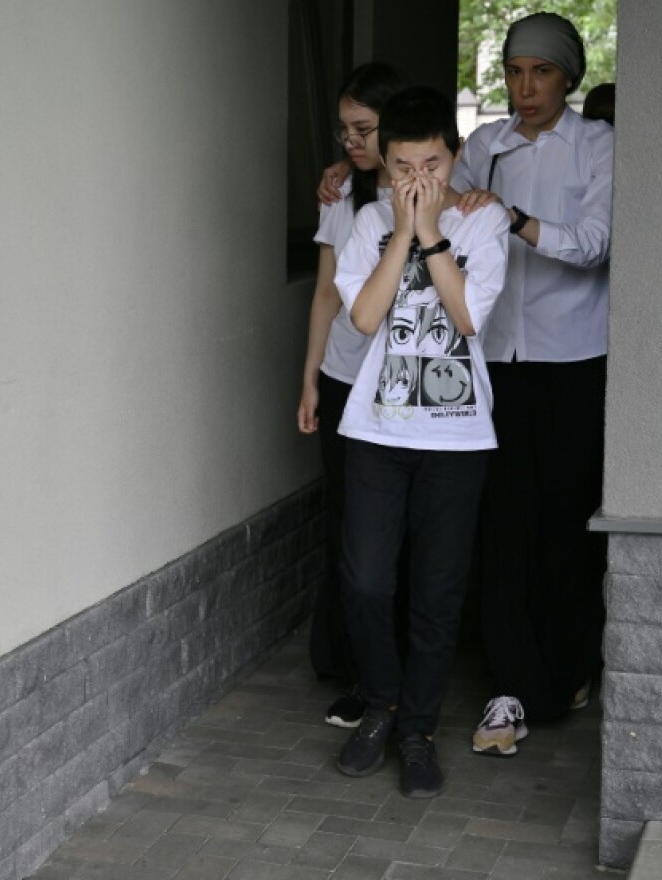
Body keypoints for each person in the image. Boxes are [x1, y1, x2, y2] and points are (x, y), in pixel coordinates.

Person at [332, 86, 509, 798]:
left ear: (455, 154)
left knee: (437, 592)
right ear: (385, 163)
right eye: (403, 167)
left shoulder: (483, 223)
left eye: (430, 164)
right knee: (366, 580)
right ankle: (383, 703)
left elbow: (466, 319)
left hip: (458, 437)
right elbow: (368, 317)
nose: (417, 181)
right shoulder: (367, 221)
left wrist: (434, 230)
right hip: (375, 429)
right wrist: (403, 231)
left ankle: (419, 731)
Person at [451, 12, 614, 756]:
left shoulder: (598, 146)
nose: (524, 87)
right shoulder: (483, 146)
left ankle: (569, 667)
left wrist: (514, 219)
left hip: (574, 359)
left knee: (566, 521)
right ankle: (510, 682)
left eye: (540, 72)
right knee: (504, 520)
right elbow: (432, 218)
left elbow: (592, 246)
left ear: (567, 77)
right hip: (493, 363)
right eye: (515, 71)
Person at [299, 63, 410, 729]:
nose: (350, 142)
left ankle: (403, 676)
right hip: (344, 381)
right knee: (348, 530)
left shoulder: (425, 194)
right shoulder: (337, 195)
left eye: (363, 129)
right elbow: (322, 294)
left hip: (404, 392)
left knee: (398, 539)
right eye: (343, 130)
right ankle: (354, 672)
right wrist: (309, 376)